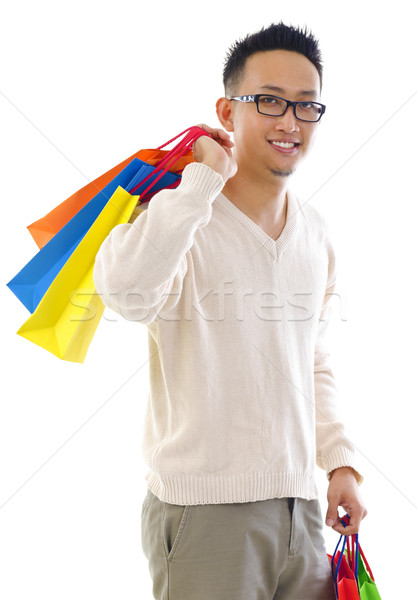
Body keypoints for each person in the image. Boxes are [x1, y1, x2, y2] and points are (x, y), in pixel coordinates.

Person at [93, 21, 367, 600]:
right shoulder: (180, 213)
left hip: (303, 514)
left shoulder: (316, 234)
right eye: (269, 101)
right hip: (205, 514)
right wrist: (196, 190)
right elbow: (126, 293)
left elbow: (311, 359)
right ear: (227, 110)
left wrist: (339, 461)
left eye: (306, 105)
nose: (289, 121)